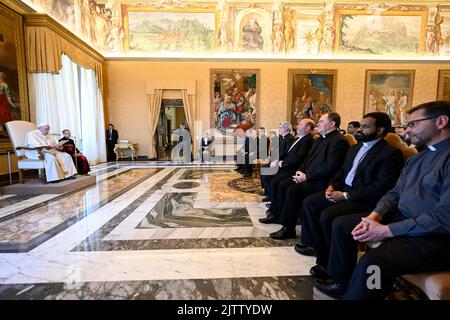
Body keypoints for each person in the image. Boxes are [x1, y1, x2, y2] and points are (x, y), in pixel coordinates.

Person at [315, 100, 450, 299]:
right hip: (401, 219)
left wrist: (387, 230)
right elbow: (394, 193)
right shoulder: (416, 159)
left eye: (413, 124)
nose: (406, 131)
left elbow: (444, 217)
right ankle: (341, 281)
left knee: (373, 264)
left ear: (440, 122)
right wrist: (373, 217)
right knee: (344, 225)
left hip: (433, 237)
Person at [296, 112, 403, 281]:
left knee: (328, 216)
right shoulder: (354, 148)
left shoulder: (390, 154)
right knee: (311, 202)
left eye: (365, 127)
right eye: (360, 126)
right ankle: (322, 255)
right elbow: (341, 172)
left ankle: (336, 272)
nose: (359, 130)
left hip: (364, 200)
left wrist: (345, 195)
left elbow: (380, 187)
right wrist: (332, 186)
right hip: (343, 191)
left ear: (380, 130)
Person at [265, 113, 349, 240]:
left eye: (321, 121)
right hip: (309, 177)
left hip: (322, 181)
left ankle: (288, 228)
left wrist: (307, 176)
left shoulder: (339, 141)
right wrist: (299, 172)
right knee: (285, 184)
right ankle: (281, 219)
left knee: (292, 190)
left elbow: (330, 167)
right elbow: (307, 160)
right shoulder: (320, 139)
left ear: (332, 124)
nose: (318, 123)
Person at [259, 119, 315, 205]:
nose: (297, 126)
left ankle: (273, 200)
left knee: (272, 179)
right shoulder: (293, 138)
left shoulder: (303, 140)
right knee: (265, 171)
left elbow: (298, 157)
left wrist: (280, 162)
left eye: (300, 125)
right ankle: (271, 197)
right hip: (284, 163)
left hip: (291, 168)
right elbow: (285, 153)